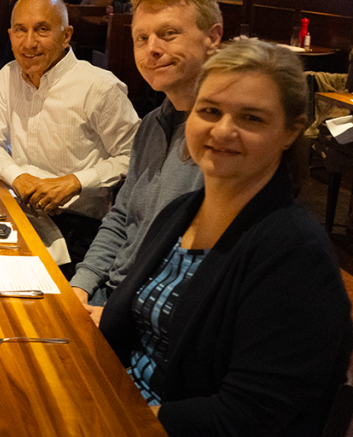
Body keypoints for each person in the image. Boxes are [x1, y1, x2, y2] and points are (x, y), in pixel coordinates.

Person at [100, 39, 353, 435]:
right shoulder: (179, 212)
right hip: (117, 403)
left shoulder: (295, 254)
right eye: (210, 111)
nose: (222, 130)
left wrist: (109, 421)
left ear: (291, 131)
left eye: (251, 118)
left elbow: (249, 416)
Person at [70, 0, 222, 321]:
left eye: (168, 34)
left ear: (212, 38)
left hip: (148, 319)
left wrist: (113, 316)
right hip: (109, 294)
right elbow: (122, 217)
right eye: (142, 38)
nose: (152, 49)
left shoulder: (223, 141)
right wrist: (81, 285)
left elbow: (201, 271)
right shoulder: (151, 124)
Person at [0, 0, 139, 277]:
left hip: (79, 228)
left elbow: (134, 157)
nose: (29, 43)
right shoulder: (7, 76)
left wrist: (76, 181)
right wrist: (18, 176)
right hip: (18, 212)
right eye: (20, 31)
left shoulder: (99, 87)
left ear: (66, 35)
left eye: (42, 30)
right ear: (10, 34)